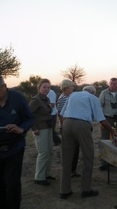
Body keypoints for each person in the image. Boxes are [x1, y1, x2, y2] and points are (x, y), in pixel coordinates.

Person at [59, 85, 117, 199]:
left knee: (66, 158)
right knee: (88, 156)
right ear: (92, 92)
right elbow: (103, 121)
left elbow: (61, 113)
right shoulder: (92, 98)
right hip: (82, 125)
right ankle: (86, 189)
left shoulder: (72, 95)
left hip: (66, 124)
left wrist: (65, 125)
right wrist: (113, 131)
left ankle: (64, 190)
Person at [0, 75, 34, 209]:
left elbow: (29, 118)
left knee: (12, 183)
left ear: (4, 87)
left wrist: (20, 129)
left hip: (14, 147)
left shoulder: (17, 98)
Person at [29, 78, 55, 186]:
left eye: (48, 87)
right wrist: (34, 128)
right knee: (43, 152)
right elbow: (28, 115)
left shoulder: (46, 99)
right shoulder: (36, 100)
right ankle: (39, 177)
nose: (46, 89)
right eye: (44, 87)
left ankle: (46, 174)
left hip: (48, 128)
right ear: (39, 88)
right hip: (40, 129)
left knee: (50, 152)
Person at [98, 77, 117, 171]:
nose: (112, 86)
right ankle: (104, 162)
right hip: (107, 118)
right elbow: (99, 107)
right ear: (109, 84)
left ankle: (114, 161)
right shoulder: (103, 93)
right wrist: (101, 121)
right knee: (105, 139)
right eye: (111, 84)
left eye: (114, 84)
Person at [56, 79, 80, 177]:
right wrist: (65, 127)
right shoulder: (62, 99)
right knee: (68, 150)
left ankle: (73, 169)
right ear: (66, 88)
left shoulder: (71, 97)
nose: (73, 88)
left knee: (76, 149)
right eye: (71, 86)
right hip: (67, 127)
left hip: (73, 126)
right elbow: (61, 115)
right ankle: (67, 171)